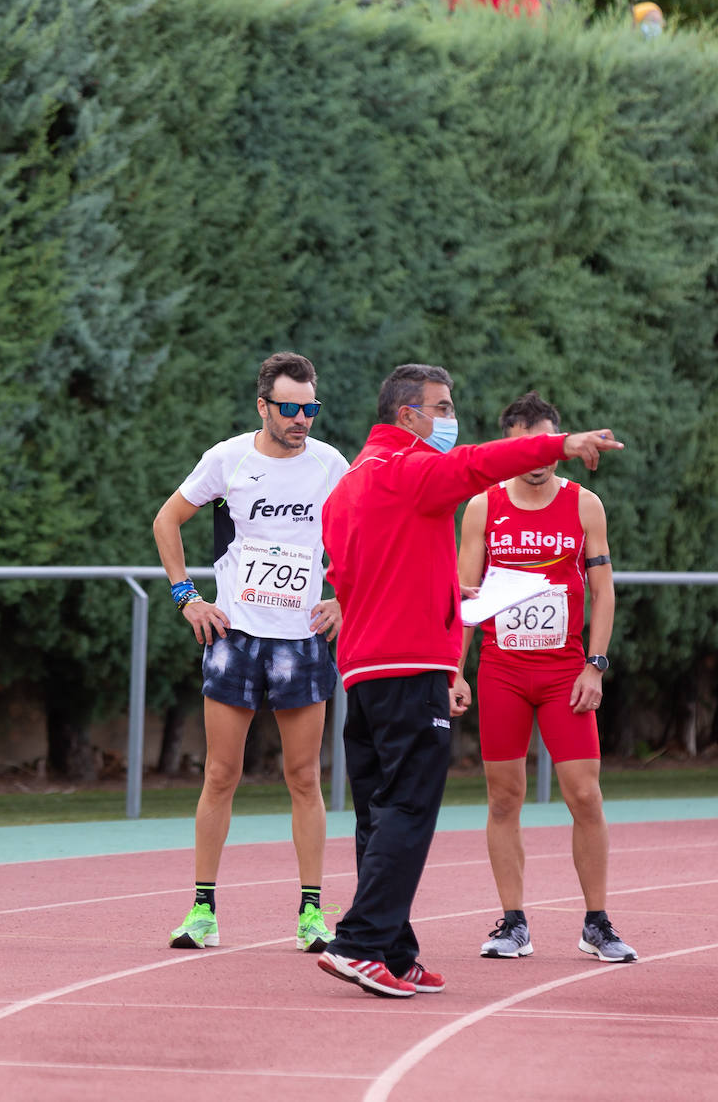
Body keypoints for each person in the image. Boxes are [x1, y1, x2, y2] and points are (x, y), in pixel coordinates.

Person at [316, 364, 624, 998]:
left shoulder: (348, 485)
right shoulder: (410, 472)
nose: (452, 419)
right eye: (443, 406)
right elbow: (478, 466)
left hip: (362, 673)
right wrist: (559, 444)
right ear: (409, 415)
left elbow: (347, 577)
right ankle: (360, 943)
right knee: (408, 808)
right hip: (409, 668)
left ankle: (394, 953)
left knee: (379, 812)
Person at [153, 352, 349, 954]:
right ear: (262, 405)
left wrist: (343, 597)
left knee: (303, 777)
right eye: (289, 408)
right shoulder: (227, 458)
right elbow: (168, 521)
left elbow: (359, 534)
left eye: (309, 408)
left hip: (301, 640)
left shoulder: (330, 464)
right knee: (220, 774)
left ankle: (311, 914)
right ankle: (202, 910)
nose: (301, 419)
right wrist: (188, 598)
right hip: (234, 638)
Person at [454, 392, 634, 964]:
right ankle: (513, 923)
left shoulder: (585, 505)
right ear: (507, 445)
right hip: (502, 670)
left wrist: (596, 664)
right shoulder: (482, 506)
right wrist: (452, 672)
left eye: (547, 445)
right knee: (504, 797)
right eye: (523, 445)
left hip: (565, 673)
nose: (537, 458)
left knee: (585, 795)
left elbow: (603, 589)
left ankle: (597, 923)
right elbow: (464, 597)